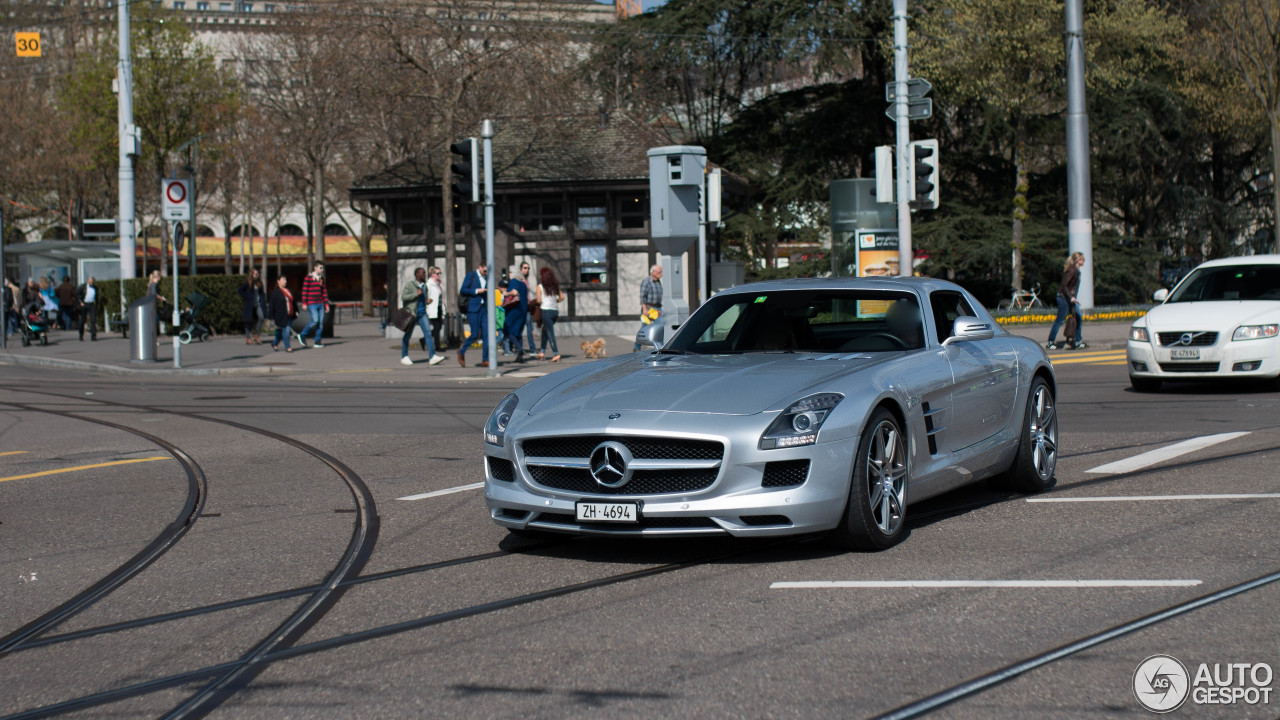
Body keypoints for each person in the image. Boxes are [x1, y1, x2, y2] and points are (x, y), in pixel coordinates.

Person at [399, 267, 445, 366]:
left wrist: (427, 301)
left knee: (428, 333)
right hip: (412, 314)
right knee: (408, 335)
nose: (425, 275)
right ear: (418, 275)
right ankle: (404, 356)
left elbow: (424, 298)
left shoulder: (425, 286)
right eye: (423, 273)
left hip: (422, 313)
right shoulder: (410, 284)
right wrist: (416, 294)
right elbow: (404, 297)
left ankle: (432, 356)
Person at [1047, 252, 1087, 350]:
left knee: (1078, 317)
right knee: (1060, 320)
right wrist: (1071, 297)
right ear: (1078, 260)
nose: (1084, 261)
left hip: (1069, 298)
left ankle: (1078, 341)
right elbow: (1064, 286)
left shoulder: (1076, 270)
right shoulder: (1072, 270)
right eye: (1082, 259)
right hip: (1064, 298)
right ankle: (1050, 342)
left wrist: (1072, 297)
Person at [458, 261, 489, 367]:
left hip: (484, 308)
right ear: (480, 267)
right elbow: (463, 290)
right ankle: (462, 351)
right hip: (473, 308)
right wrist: (476, 291)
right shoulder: (471, 276)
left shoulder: (487, 277)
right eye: (484, 270)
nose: (486, 272)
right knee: (475, 334)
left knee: (486, 335)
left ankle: (485, 359)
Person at [535, 266, 565, 362]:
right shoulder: (555, 286)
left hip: (546, 311)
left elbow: (539, 301)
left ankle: (556, 353)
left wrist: (538, 303)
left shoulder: (540, 287)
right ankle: (542, 352)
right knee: (545, 331)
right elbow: (562, 297)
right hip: (555, 312)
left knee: (550, 333)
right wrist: (555, 301)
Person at [299, 261, 329, 348]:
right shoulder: (309, 277)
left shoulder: (320, 278)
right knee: (315, 320)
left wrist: (326, 304)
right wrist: (304, 303)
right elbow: (305, 290)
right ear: (315, 268)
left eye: (322, 268)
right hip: (312, 303)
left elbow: (323, 291)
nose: (322, 270)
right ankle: (302, 334)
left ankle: (317, 341)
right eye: (320, 268)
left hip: (320, 303)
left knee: (320, 323)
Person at [634, 263, 663, 351]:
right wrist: (644, 309)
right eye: (659, 272)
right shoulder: (646, 281)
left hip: (657, 308)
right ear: (653, 272)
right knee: (644, 329)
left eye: (661, 272)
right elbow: (642, 296)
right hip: (649, 308)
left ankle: (660, 346)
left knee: (661, 326)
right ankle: (636, 347)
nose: (661, 274)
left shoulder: (658, 281)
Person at [504, 270, 529, 363]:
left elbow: (514, 292)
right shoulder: (524, 284)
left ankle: (519, 348)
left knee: (507, 330)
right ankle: (520, 357)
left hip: (514, 309)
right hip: (523, 310)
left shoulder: (514, 281)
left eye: (510, 272)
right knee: (518, 332)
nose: (509, 274)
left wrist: (505, 293)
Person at [268, 275, 295, 352]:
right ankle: (288, 347)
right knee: (286, 330)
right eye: (283, 280)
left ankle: (275, 343)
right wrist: (271, 316)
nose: (285, 281)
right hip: (281, 315)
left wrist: (296, 312)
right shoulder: (275, 292)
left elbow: (293, 302)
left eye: (285, 280)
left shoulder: (288, 290)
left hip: (290, 314)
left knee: (282, 331)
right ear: (278, 281)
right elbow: (271, 304)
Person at [238, 269, 265, 345]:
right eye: (255, 273)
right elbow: (240, 290)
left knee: (261, 317)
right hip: (249, 305)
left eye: (257, 273)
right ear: (251, 274)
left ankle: (257, 335)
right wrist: (246, 297)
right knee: (248, 321)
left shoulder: (259, 283)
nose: (257, 275)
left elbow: (261, 293)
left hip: (257, 304)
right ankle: (248, 338)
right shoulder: (247, 283)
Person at [519, 262, 538, 352]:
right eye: (525, 268)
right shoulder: (520, 280)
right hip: (521, 307)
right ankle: (521, 348)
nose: (527, 270)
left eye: (528, 268)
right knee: (522, 328)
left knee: (529, 327)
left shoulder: (525, 280)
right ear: (521, 269)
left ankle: (531, 348)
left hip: (526, 306)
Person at [426, 266, 445, 352]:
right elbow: (427, 296)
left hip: (439, 308)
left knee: (439, 327)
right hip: (433, 308)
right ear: (432, 274)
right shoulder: (429, 284)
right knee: (436, 327)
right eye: (437, 273)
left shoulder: (438, 284)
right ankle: (437, 346)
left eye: (440, 273)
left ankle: (423, 339)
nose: (439, 275)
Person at [75, 276, 98, 341]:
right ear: (88, 281)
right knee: (82, 320)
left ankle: (93, 336)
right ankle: (81, 335)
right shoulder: (83, 286)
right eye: (90, 282)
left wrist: (95, 303)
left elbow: (96, 296)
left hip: (92, 304)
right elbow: (77, 294)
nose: (91, 283)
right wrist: (80, 302)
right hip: (84, 304)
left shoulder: (95, 288)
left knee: (93, 320)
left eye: (92, 282)